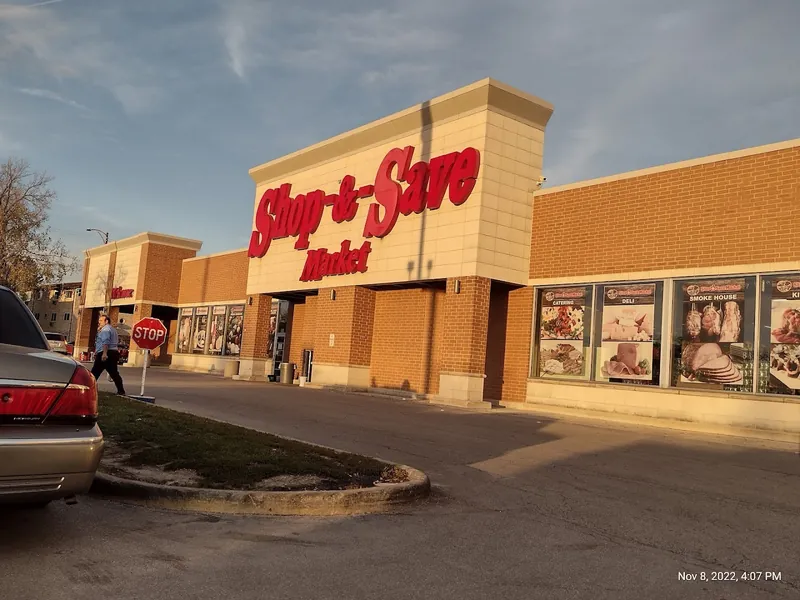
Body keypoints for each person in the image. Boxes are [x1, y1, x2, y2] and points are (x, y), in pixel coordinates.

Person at [91, 313, 126, 395]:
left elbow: (105, 342)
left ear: (106, 321)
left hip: (105, 353)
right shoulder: (113, 329)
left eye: (101, 320)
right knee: (114, 373)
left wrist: (104, 353)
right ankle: (121, 391)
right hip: (113, 353)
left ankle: (89, 389)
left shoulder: (105, 330)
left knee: (94, 373)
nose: (99, 322)